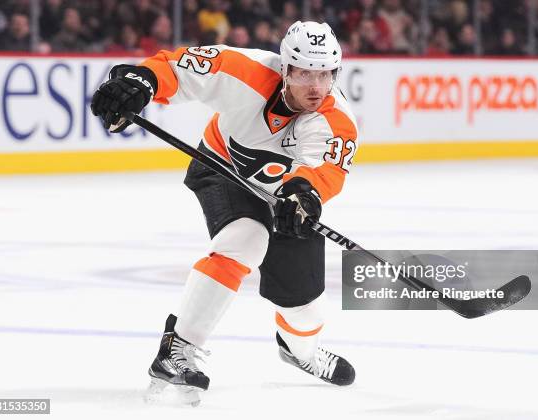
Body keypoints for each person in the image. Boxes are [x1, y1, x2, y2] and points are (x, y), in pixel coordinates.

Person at [90, 20, 357, 402]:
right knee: (244, 240)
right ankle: (177, 350)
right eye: (304, 74)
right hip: (221, 169)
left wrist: (304, 196)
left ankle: (301, 352)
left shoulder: (336, 120)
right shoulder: (246, 70)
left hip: (283, 200)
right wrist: (139, 82)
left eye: (325, 74)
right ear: (286, 69)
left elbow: (322, 170)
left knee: (306, 308)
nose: (316, 87)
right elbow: (178, 67)